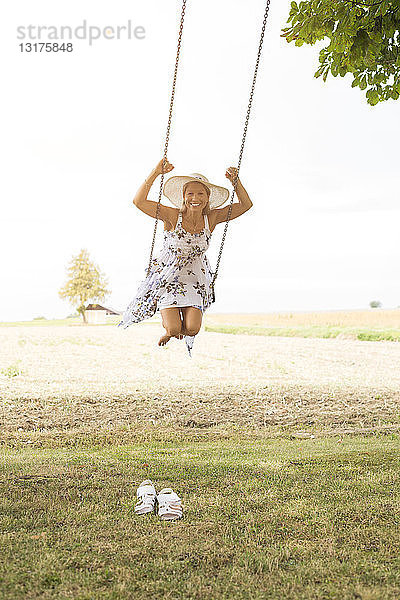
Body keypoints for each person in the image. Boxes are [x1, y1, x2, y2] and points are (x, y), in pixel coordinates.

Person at [117, 158, 253, 356]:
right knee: (173, 329)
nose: (194, 198)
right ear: (183, 197)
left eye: (200, 194)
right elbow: (139, 202)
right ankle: (170, 332)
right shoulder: (172, 216)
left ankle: (180, 330)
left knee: (192, 329)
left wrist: (236, 182)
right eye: (190, 193)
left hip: (195, 280)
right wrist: (156, 171)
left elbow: (246, 205)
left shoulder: (211, 218)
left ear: (207, 198)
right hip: (168, 278)